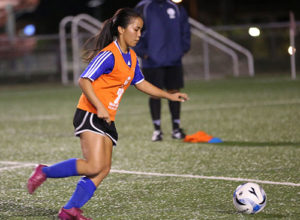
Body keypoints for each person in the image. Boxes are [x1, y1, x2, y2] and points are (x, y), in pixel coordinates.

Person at [27, 8, 188, 220]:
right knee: (93, 164)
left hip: (107, 118)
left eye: (141, 30)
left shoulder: (131, 56)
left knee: (103, 169)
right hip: (90, 113)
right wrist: (100, 107)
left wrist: (169, 96)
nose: (139, 34)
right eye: (136, 29)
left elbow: (141, 83)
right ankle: (43, 171)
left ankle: (69, 210)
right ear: (121, 29)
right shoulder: (108, 55)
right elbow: (84, 80)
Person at [134, 0, 191, 141]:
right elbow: (133, 29)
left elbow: (185, 28)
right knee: (154, 94)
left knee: (174, 93)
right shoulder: (143, 7)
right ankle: (157, 130)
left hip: (173, 60)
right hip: (152, 62)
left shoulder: (175, 7)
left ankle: (176, 129)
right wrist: (143, 52)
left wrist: (182, 48)